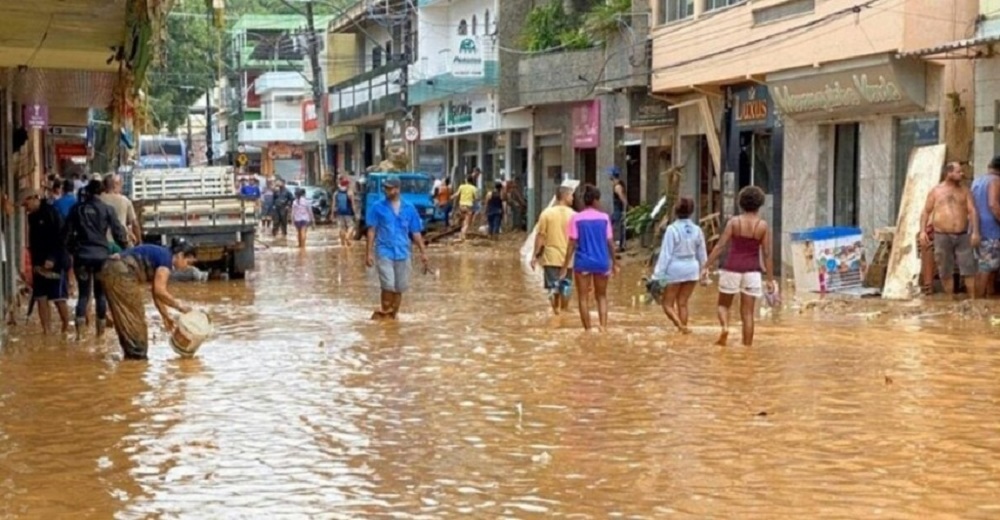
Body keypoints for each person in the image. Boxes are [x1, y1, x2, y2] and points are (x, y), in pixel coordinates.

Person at [701, 186, 775, 347]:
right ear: (760, 204)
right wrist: (770, 280)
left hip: (731, 270)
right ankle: (747, 350)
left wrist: (706, 266)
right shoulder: (763, 226)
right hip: (753, 273)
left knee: (722, 305)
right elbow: (767, 254)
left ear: (740, 203)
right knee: (748, 313)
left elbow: (720, 246)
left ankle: (725, 328)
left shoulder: (734, 222)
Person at [100, 241, 195, 360]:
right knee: (135, 321)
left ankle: (130, 361)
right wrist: (180, 306)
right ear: (180, 255)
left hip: (111, 268)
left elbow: (156, 292)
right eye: (188, 262)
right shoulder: (166, 261)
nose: (187, 267)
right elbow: (160, 291)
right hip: (121, 272)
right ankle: (136, 363)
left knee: (128, 319)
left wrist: (165, 315)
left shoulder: (162, 254)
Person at [64, 180, 129, 338]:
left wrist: (74, 250)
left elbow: (66, 234)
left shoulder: (76, 209)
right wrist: (126, 250)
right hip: (101, 257)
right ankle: (100, 335)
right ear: (101, 193)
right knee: (100, 294)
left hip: (82, 256)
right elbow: (118, 232)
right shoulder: (107, 209)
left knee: (83, 295)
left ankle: (80, 335)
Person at [365, 177, 429, 320]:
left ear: (397, 189)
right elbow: (371, 231)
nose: (387, 191)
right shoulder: (377, 207)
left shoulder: (409, 208)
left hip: (403, 252)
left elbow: (416, 232)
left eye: (390, 188)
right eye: (386, 188)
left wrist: (423, 253)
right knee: (388, 285)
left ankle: (392, 317)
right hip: (384, 251)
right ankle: (385, 311)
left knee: (400, 287)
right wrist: (368, 253)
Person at [559, 184, 619, 331]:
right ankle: (603, 327)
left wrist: (565, 266)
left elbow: (571, 245)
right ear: (595, 201)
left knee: (583, 297)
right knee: (602, 296)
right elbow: (610, 243)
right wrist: (615, 263)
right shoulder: (605, 218)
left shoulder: (576, 219)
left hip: (583, 263)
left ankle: (587, 330)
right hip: (601, 262)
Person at [919, 161, 980, 298]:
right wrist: (922, 231)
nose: (962, 174)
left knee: (969, 268)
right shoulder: (936, 191)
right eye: (958, 172)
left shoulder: (965, 191)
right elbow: (926, 212)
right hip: (942, 235)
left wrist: (975, 232)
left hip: (963, 235)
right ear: (949, 173)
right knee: (945, 270)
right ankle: (949, 300)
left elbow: (972, 211)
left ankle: (972, 299)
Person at [650, 198, 707, 334]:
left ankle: (681, 327)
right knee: (683, 303)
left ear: (675, 211)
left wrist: (657, 276)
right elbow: (702, 253)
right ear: (691, 212)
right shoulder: (697, 230)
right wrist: (704, 272)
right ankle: (683, 332)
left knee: (667, 304)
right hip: (692, 269)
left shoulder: (672, 229)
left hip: (675, 269)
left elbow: (665, 254)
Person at [23, 189, 71, 334]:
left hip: (55, 263)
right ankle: (46, 331)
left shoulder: (51, 212)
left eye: (27, 204)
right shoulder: (32, 217)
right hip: (38, 263)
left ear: (35, 198)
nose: (26, 208)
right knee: (40, 297)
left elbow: (62, 237)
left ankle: (65, 327)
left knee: (58, 298)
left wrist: (52, 258)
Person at [531, 186, 576, 314]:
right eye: (571, 195)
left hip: (551, 257)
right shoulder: (574, 215)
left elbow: (540, 236)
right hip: (568, 258)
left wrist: (534, 255)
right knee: (566, 286)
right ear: (565, 196)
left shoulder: (546, 214)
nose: (573, 198)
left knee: (553, 287)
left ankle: (556, 311)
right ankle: (564, 310)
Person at [972, 156, 1000, 297]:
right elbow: (993, 205)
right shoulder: (995, 181)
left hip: (977, 229)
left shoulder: (977, 181)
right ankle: (979, 301)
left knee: (985, 265)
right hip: (991, 230)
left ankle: (986, 296)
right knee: (986, 267)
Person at [100, 173, 140, 250]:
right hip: (121, 241)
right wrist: (139, 241)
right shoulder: (125, 200)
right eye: (121, 184)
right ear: (115, 185)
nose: (121, 187)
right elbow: (135, 224)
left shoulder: (99, 199)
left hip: (102, 241)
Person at [607, 166, 628, 252]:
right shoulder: (618, 185)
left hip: (619, 210)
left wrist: (625, 209)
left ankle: (619, 245)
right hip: (618, 209)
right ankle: (619, 244)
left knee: (617, 227)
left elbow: (622, 198)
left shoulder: (617, 186)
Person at [452, 175, 479, 241]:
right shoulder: (474, 188)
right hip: (468, 207)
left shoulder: (461, 186)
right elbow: (476, 198)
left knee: (462, 220)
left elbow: (456, 194)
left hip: (461, 206)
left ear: (466, 180)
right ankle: (462, 235)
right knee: (467, 222)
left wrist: (451, 197)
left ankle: (460, 232)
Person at [333, 179, 356, 248]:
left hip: (339, 213)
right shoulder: (350, 192)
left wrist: (332, 214)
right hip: (348, 213)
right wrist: (355, 213)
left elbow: (333, 204)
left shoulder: (336, 193)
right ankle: (347, 237)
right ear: (347, 184)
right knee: (351, 226)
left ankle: (343, 244)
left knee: (341, 228)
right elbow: (353, 204)